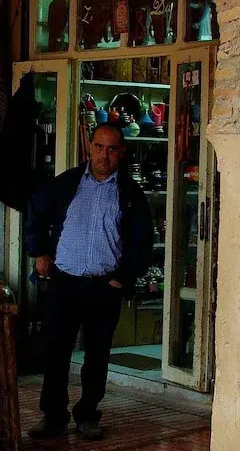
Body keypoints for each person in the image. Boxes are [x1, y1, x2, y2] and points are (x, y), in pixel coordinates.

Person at [25, 123, 153, 441]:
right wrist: (39, 252)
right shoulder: (67, 183)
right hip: (64, 283)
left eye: (112, 149)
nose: (104, 155)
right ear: (89, 148)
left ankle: (87, 415)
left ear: (121, 152)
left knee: (97, 356)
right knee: (56, 353)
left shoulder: (130, 194)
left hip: (103, 287)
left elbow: (143, 242)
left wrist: (123, 278)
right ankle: (53, 416)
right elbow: (35, 210)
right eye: (99, 147)